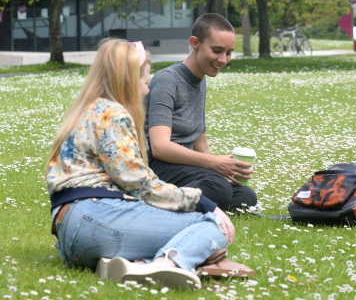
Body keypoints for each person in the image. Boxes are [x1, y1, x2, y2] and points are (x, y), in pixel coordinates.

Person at [46, 40, 235, 289]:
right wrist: (203, 204)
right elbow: (138, 182)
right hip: (94, 219)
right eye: (145, 82)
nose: (146, 91)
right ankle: (162, 266)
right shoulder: (114, 114)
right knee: (213, 228)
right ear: (128, 80)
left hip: (68, 230)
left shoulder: (86, 110)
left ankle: (130, 264)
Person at [144, 14, 258, 211]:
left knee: (245, 195)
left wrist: (227, 168)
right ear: (195, 43)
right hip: (156, 166)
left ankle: (197, 201)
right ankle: (153, 203)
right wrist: (214, 164)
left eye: (229, 53)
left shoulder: (200, 81)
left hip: (183, 168)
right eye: (217, 51)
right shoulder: (167, 81)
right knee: (219, 189)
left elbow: (201, 144)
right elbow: (159, 147)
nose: (223, 60)